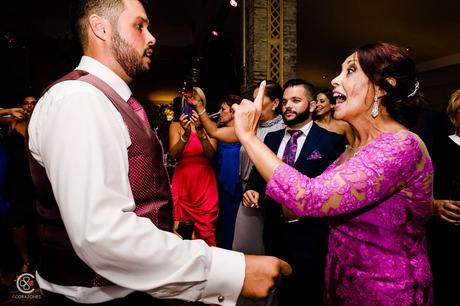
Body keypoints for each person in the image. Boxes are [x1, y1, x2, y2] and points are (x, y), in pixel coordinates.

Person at [26, 0, 290, 305]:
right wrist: (233, 271)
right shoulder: (79, 100)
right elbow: (101, 235)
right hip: (96, 297)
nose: (152, 37)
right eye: (140, 26)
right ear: (101, 28)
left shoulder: (106, 99)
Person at [232, 42, 434, 305]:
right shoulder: (355, 148)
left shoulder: (400, 145)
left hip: (387, 292)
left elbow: (309, 197)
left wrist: (249, 136)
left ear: (382, 88)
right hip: (341, 284)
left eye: (350, 71)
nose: (336, 79)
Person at [242, 79, 346, 305]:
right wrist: (253, 190)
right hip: (273, 228)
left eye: (296, 101)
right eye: (286, 101)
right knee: (277, 289)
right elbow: (259, 173)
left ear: (312, 106)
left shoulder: (331, 141)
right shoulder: (272, 138)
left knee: (307, 291)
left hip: (310, 233)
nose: (288, 106)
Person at [169, 87, 219, 246]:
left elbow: (211, 155)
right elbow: (173, 155)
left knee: (206, 229)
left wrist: (201, 131)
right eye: (189, 104)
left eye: (197, 104)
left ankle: (209, 267)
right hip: (183, 183)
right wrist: (186, 135)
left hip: (204, 184)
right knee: (181, 230)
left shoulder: (210, 126)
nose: (192, 108)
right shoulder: (176, 125)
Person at [429, 88, 460, 305]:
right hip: (445, 236)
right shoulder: (435, 147)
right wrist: (433, 205)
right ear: (453, 117)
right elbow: (415, 192)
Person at [1, 96, 38, 273]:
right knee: (17, 221)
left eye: (33, 103)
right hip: (16, 179)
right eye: (25, 103)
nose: (29, 106)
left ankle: (44, 259)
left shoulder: (41, 123)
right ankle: (26, 259)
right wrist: (9, 111)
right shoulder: (13, 123)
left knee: (41, 218)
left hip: (38, 178)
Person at [213, 95, 242, 250]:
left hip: (239, 190)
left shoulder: (243, 133)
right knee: (223, 226)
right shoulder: (218, 133)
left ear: (233, 111)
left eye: (223, 109)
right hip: (221, 189)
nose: (220, 112)